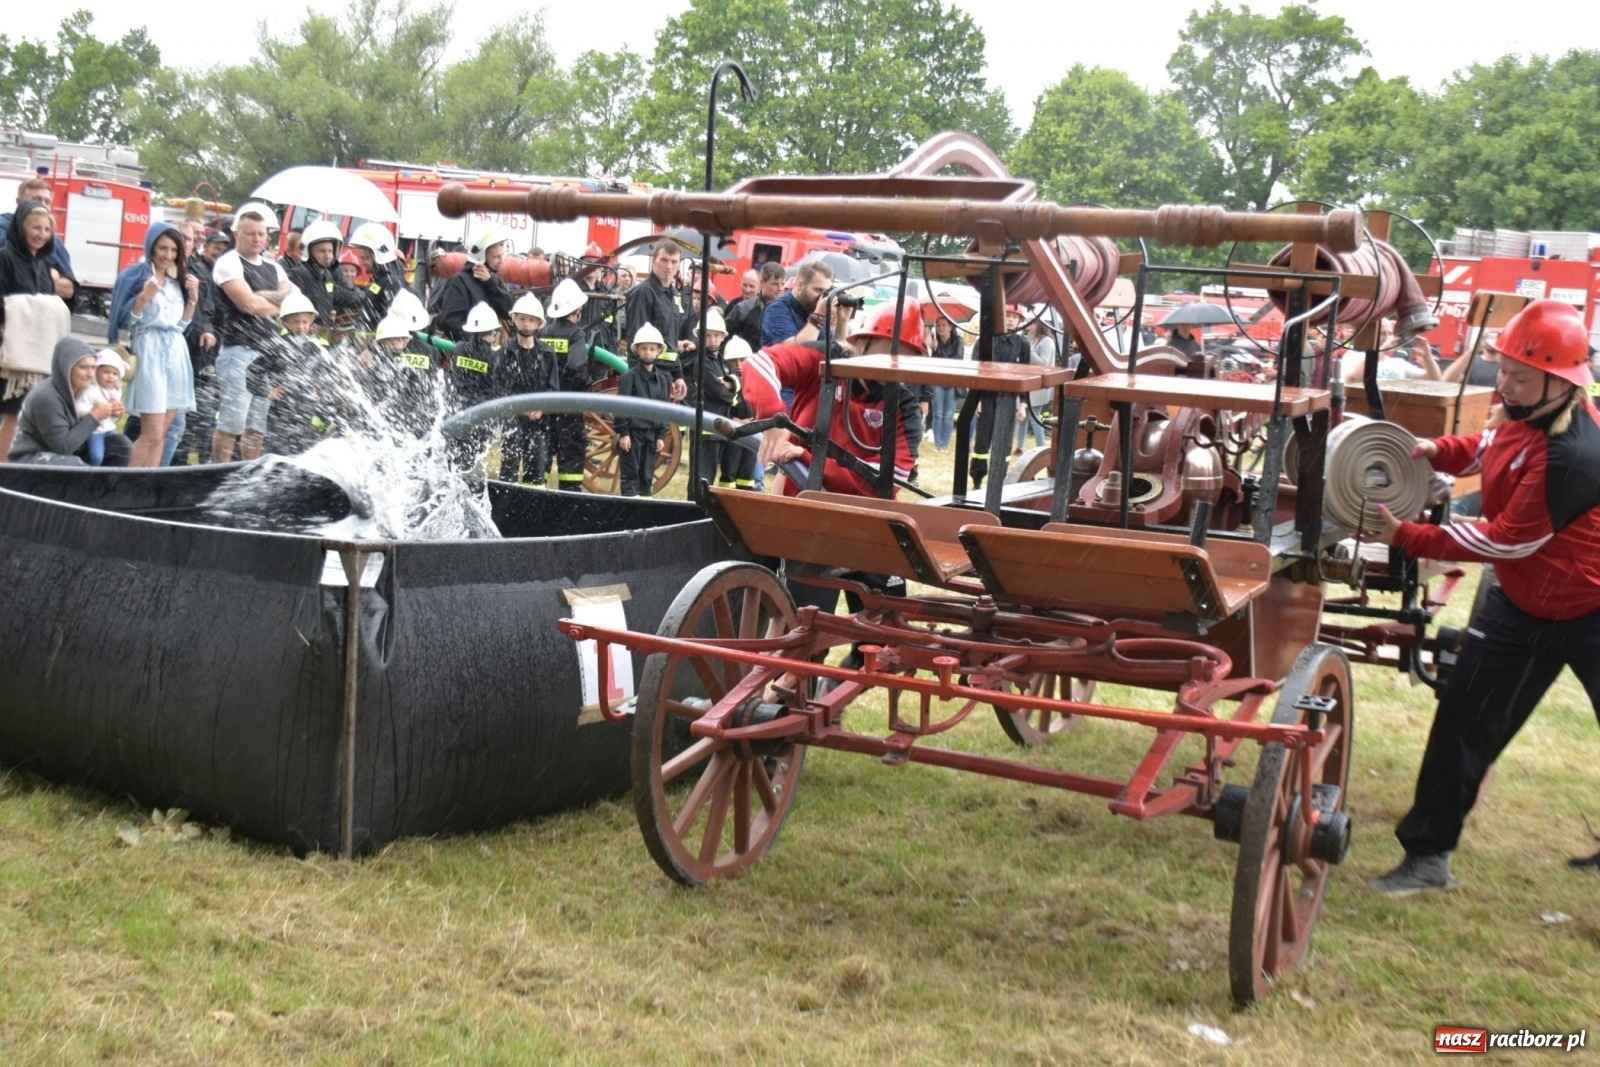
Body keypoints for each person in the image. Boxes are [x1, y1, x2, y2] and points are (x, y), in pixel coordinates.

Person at [1368, 300, 1600, 894]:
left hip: (1590, 608)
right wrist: (1435, 450)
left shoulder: (1575, 454)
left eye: (1520, 376)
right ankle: (1426, 860)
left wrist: (1409, 536)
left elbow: (1506, 542)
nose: (1506, 384)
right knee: (1462, 723)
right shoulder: (1526, 413)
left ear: (1563, 382)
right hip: (1525, 605)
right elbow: (1488, 447)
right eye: (1504, 370)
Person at [211, 209, 299, 462]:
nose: (257, 239)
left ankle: (249, 473)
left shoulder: (273, 266)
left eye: (261, 234)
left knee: (256, 426)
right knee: (232, 422)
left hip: (266, 356)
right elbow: (249, 305)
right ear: (237, 233)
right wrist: (276, 301)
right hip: (238, 351)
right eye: (250, 234)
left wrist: (262, 296)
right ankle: (217, 472)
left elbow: (293, 298)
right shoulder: (229, 263)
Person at [114, 222, 200, 467]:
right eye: (163, 248)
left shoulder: (176, 283)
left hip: (176, 352)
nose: (168, 255)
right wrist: (143, 297)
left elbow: (181, 326)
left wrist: (192, 301)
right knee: (150, 434)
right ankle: (125, 484)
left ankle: (145, 484)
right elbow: (128, 323)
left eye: (174, 250)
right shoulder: (138, 277)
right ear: (151, 247)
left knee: (161, 433)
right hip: (150, 352)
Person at [0, 200, 74, 459]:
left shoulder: (45, 265)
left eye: (46, 229)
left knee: (25, 417)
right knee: (11, 414)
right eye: (36, 228)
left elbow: (57, 303)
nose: (41, 234)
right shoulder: (5, 258)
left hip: (37, 357)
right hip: (10, 356)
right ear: (21, 228)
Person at [8, 338, 129, 466]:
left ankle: (107, 485)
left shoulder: (89, 388)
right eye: (84, 367)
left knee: (121, 446)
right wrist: (94, 416)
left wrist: (113, 411)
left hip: (73, 450)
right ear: (66, 368)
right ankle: (93, 484)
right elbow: (63, 447)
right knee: (73, 464)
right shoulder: (47, 398)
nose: (90, 374)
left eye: (93, 368)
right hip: (33, 457)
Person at [496, 292, 559, 484]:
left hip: (539, 421)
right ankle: (505, 507)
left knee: (537, 467)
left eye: (531, 320)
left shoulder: (548, 354)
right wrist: (520, 410)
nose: (526, 324)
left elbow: (553, 389)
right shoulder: (505, 353)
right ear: (514, 320)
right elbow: (500, 389)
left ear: (539, 323)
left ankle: (534, 509)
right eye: (522, 319)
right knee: (510, 466)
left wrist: (541, 408)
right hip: (513, 418)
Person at [539, 278, 594, 491]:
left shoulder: (543, 332)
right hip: (569, 405)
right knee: (571, 452)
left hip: (544, 403)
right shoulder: (576, 333)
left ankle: (537, 490)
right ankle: (569, 496)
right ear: (577, 309)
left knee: (543, 451)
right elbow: (576, 365)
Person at [970, 302, 1031, 488]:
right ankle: (977, 480)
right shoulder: (985, 340)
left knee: (1003, 444)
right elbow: (975, 370)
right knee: (982, 442)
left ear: (1020, 321)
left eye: (1014, 317)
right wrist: (975, 399)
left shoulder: (1023, 344)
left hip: (1008, 399)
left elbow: (1026, 375)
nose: (1010, 320)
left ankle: (998, 482)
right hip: (986, 398)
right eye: (1007, 316)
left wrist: (1023, 404)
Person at [623, 242, 694, 399]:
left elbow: (671, 340)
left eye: (674, 261)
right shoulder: (643, 293)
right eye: (664, 260)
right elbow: (635, 341)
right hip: (647, 375)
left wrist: (678, 375)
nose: (669, 266)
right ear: (654, 262)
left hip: (666, 376)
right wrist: (640, 381)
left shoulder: (674, 294)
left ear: (679, 265)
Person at [616, 322, 674, 497]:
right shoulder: (628, 378)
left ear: (659, 351)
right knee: (630, 474)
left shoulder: (664, 380)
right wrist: (624, 433)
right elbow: (621, 407)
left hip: (652, 435)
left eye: (652, 349)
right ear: (637, 351)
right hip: (633, 434)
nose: (648, 352)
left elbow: (664, 409)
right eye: (644, 349)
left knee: (647, 475)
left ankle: (644, 505)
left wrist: (661, 435)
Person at [429, 226, 514, 341]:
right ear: (481, 257)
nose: (502, 261)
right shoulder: (458, 282)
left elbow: (508, 311)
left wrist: (490, 284)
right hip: (468, 351)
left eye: (502, 256)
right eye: (496, 257)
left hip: (490, 350)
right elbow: (452, 323)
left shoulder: (494, 281)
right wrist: (477, 344)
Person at [0, 177, 77, 300]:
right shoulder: (3, 230)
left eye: (47, 201)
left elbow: (69, 289)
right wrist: (50, 275)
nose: (42, 205)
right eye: (36, 199)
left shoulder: (54, 242)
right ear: (19, 202)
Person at [291, 220, 366, 330]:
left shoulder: (326, 276)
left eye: (330, 251)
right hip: (304, 337)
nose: (327, 256)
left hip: (323, 335)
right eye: (322, 251)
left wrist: (369, 296)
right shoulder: (298, 275)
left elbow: (344, 296)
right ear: (309, 252)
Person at [761, 259, 833, 347]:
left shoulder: (814, 307)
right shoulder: (776, 309)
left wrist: (843, 320)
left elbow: (833, 351)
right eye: (818, 290)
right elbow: (795, 350)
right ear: (800, 285)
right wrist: (819, 315)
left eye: (826, 292)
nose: (823, 297)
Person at [347, 223, 405, 327]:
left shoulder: (392, 282)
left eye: (366, 258)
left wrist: (365, 328)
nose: (362, 263)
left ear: (379, 255)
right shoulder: (379, 278)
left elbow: (389, 320)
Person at [81, 350, 128, 467]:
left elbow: (112, 418)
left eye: (115, 374)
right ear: (97, 372)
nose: (110, 377)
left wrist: (116, 413)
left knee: (122, 449)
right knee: (97, 457)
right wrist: (95, 411)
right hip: (95, 431)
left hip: (109, 428)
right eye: (106, 372)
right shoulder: (90, 391)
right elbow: (79, 408)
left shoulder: (114, 393)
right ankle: (90, 474)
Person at [724, 262, 784, 351]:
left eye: (782, 284)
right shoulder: (742, 309)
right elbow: (722, 337)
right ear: (762, 283)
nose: (780, 288)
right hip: (745, 362)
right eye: (775, 284)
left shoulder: (788, 311)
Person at [926, 314, 964, 451]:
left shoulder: (958, 340)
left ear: (951, 327)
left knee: (948, 415)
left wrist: (940, 355)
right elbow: (932, 362)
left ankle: (944, 445)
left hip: (953, 381)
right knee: (938, 414)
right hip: (938, 380)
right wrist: (933, 349)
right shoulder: (934, 341)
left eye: (944, 325)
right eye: (938, 325)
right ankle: (937, 444)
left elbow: (958, 359)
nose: (941, 328)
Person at [1018, 308, 1052, 454]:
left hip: (1040, 386)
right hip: (1031, 384)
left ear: (1040, 324)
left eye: (1032, 323)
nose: (1029, 326)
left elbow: (1043, 363)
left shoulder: (1046, 341)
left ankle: (1040, 448)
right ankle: (1019, 446)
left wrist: (1029, 351)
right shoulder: (1032, 339)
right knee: (1022, 416)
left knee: (1034, 417)